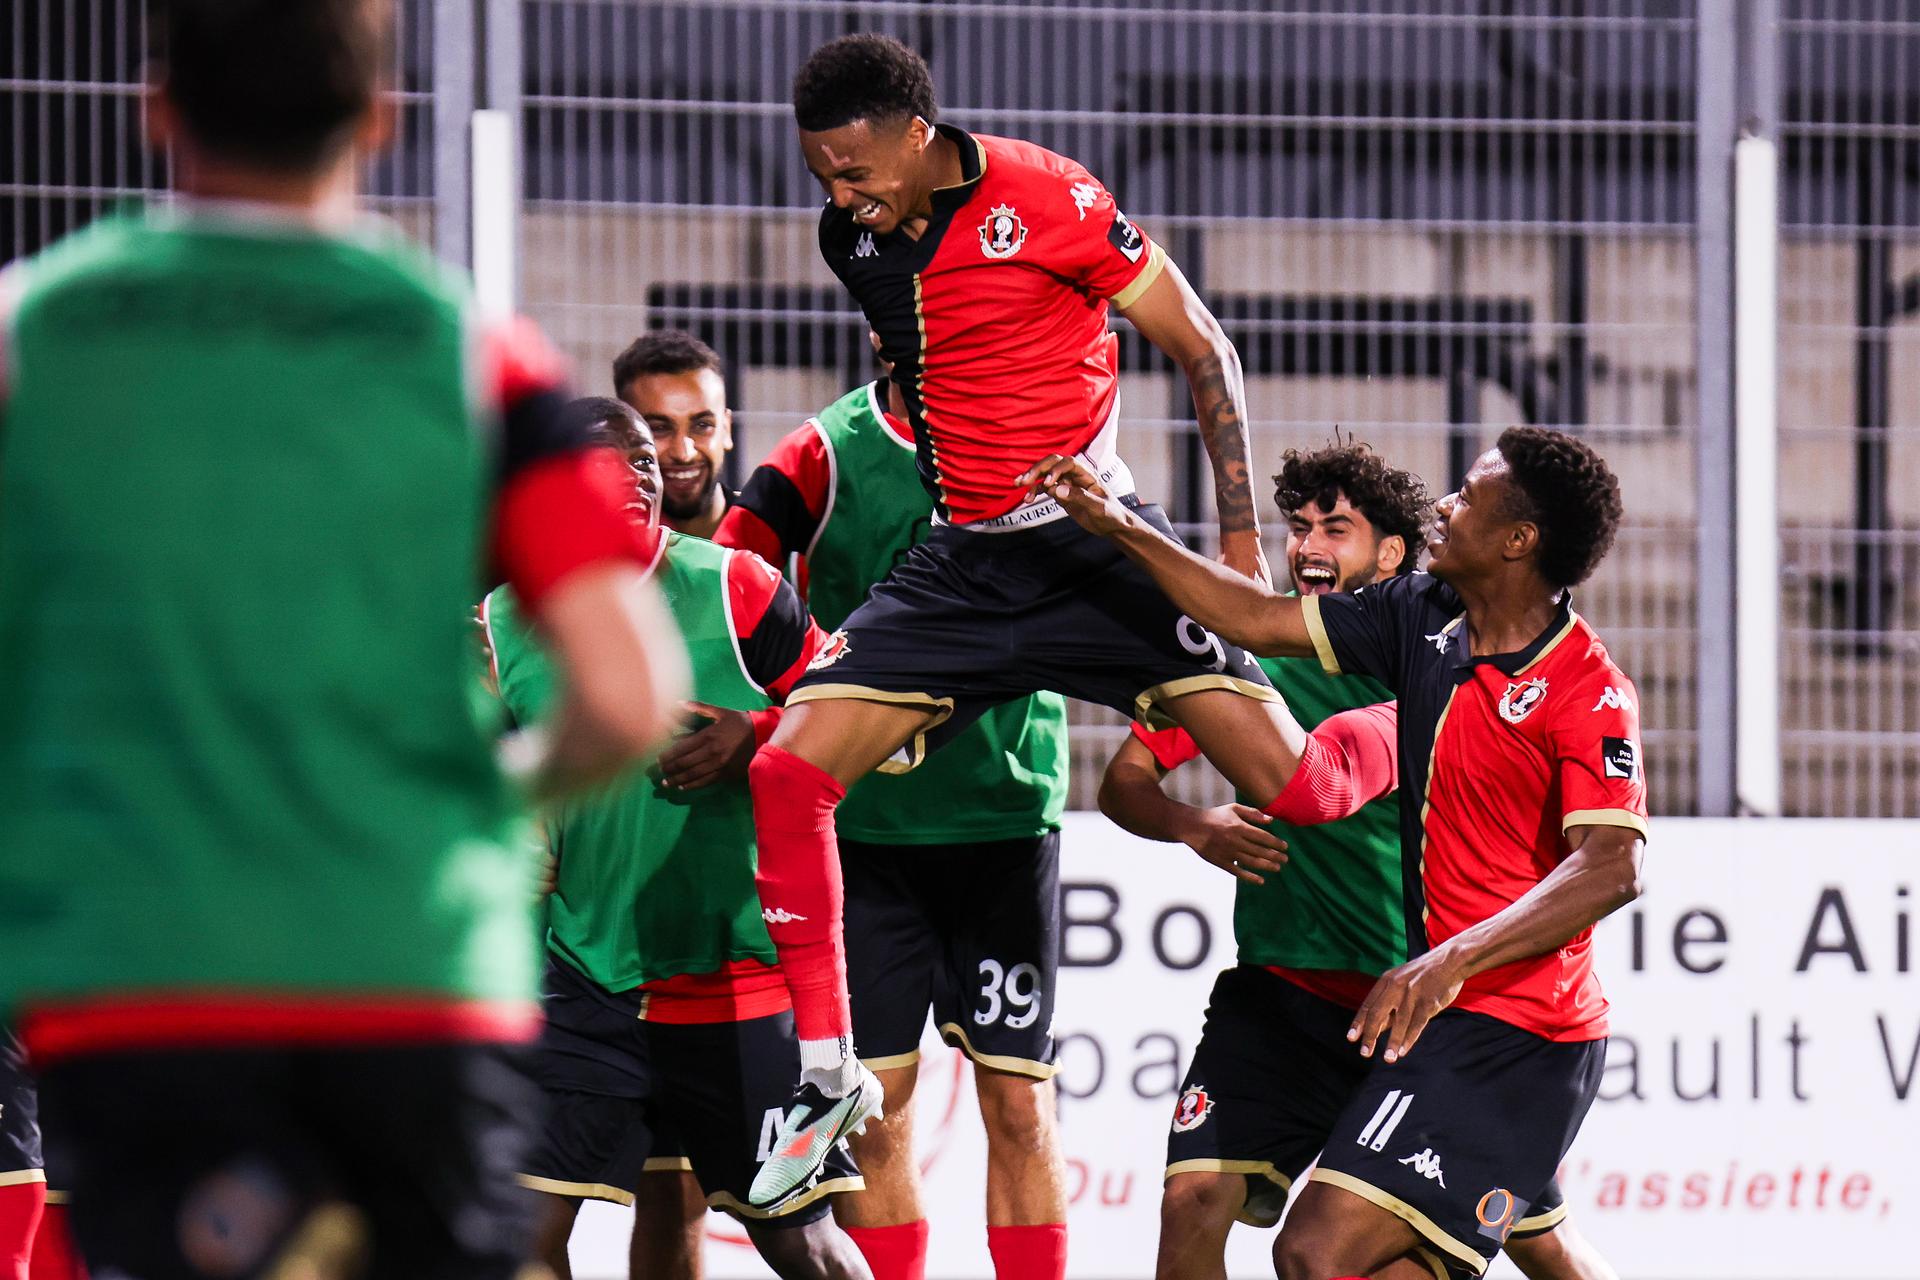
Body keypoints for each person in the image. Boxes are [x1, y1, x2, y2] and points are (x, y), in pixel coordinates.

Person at [0, 2, 685, 1275]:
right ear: (378, 120)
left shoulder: (35, 336)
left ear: (159, 111)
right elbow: (630, 691)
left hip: (145, 964)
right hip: (406, 960)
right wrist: (483, 803)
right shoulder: (475, 359)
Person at [748, 34, 1396, 1206]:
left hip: (1098, 552)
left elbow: (1205, 350)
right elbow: (941, 375)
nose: (840, 197)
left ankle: (1414, 709)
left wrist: (1241, 565)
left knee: (1296, 781)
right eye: (820, 175)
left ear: (915, 129)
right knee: (790, 775)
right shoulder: (855, 240)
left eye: (854, 168)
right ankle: (824, 1074)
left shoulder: (1049, 196)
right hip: (962, 570)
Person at [1031, 426, 1646, 1279]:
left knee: (1322, 1253)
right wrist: (1124, 529)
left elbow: (1614, 865)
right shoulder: (1421, 620)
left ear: (1519, 540)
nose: (1445, 504)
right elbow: (1252, 617)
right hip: (1417, 1013)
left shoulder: (1587, 688)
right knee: (1320, 1249)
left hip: (1521, 1034)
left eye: (1468, 495)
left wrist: (1446, 960)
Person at [485, 398, 871, 1280]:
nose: (639, 481)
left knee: (805, 1241)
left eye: (646, 469)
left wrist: (759, 730)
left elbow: (854, 719)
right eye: (608, 466)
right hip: (586, 981)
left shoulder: (736, 586)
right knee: (518, 1239)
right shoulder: (506, 622)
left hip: (737, 983)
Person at [719, 364, 1071, 1280]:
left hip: (1005, 822)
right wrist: (769, 721)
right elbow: (728, 575)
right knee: (876, 1109)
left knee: (1022, 1108)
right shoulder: (824, 453)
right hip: (864, 834)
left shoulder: (1044, 433)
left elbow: (1118, 577)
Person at [615, 330, 736, 540]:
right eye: (659, 429)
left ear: (726, 429)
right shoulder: (599, 557)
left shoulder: (783, 541)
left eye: (702, 425)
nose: (684, 453)